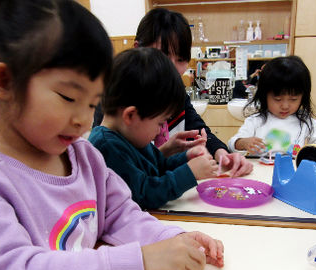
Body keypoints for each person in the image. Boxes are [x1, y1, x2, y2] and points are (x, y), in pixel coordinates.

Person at [0, 1, 224, 270]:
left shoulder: (83, 156)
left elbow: (121, 214)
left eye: (91, 103)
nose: (84, 120)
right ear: (5, 82)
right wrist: (140, 262)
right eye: (69, 98)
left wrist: (171, 239)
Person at [94, 8, 253, 177]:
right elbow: (135, 177)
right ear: (138, 49)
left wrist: (222, 154)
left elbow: (198, 128)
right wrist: (186, 173)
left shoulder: (172, 92)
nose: (172, 67)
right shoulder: (117, 98)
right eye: (163, 55)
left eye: (181, 59)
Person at [89, 48, 218, 210]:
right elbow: (144, 194)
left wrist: (186, 158)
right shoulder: (106, 147)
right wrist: (189, 173)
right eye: (159, 123)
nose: (160, 131)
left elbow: (158, 165)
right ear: (130, 116)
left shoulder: (130, 134)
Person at [228, 56, 316, 169]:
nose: (285, 106)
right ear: (264, 96)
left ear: (303, 97)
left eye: (293, 99)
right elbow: (233, 143)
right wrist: (243, 142)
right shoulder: (257, 120)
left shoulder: (305, 121)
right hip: (261, 172)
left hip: (293, 172)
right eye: (277, 99)